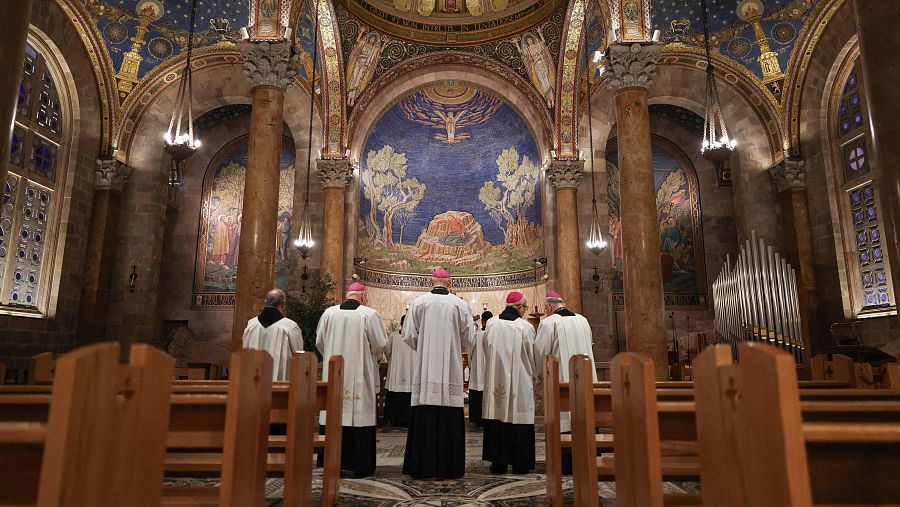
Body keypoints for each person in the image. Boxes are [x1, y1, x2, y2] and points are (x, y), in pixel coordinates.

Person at [402, 267, 474, 479]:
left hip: (425, 371)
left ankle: (421, 466)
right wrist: (453, 345)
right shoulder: (459, 304)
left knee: (426, 412)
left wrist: (424, 346)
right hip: (451, 367)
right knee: (449, 413)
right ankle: (450, 467)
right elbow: (469, 338)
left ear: (429, 281)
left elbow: (407, 335)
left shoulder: (419, 302)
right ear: (449, 283)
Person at [316, 282, 388, 478]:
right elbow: (380, 344)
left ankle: (331, 462)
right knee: (358, 413)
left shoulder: (329, 314)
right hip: (359, 375)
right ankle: (359, 465)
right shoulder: (369, 314)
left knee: (334, 412)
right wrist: (369, 355)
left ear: (347, 294)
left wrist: (332, 351)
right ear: (363, 296)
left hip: (334, 372)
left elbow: (320, 342)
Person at [533, 291, 598, 474]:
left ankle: (567, 464)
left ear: (548, 307)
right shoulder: (582, 320)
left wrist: (538, 375)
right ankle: (587, 459)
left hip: (561, 381)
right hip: (586, 380)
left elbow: (540, 352)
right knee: (584, 418)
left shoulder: (548, 323)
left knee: (566, 420)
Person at [481, 292, 537, 474]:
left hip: (496, 379)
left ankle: (498, 462)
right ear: (520, 307)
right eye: (525, 308)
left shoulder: (491, 324)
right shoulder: (525, 327)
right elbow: (532, 355)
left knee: (498, 417)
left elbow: (486, 349)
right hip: (519, 381)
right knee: (518, 416)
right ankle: (520, 463)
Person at [241, 288, 303, 381]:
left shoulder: (252, 324)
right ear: (283, 304)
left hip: (254, 379)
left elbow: (245, 351)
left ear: (265, 302)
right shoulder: (290, 326)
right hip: (280, 383)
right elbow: (299, 356)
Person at [384, 315, 415, 427]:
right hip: (411, 371)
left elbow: (387, 352)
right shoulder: (416, 337)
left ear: (401, 323)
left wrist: (392, 362)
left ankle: (393, 419)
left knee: (395, 394)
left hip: (396, 371)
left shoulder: (393, 336)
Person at [467, 310, 493, 427]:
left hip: (478, 371)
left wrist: (470, 362)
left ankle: (477, 418)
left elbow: (469, 351)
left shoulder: (476, 335)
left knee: (478, 391)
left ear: (482, 321)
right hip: (491, 368)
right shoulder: (494, 334)